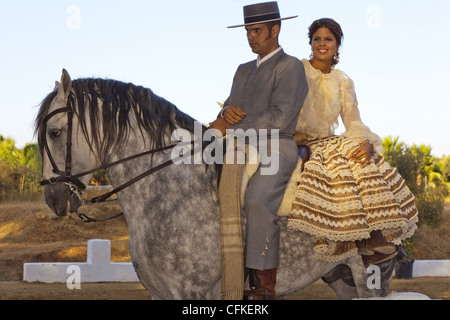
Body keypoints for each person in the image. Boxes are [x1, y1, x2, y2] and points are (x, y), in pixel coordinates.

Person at [288, 18, 418, 265]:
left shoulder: (344, 81)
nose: (322, 44)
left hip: (326, 138)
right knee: (339, 157)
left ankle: (370, 238)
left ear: (338, 45)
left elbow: (353, 120)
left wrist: (366, 142)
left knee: (360, 153)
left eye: (328, 39)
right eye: (317, 39)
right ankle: (359, 238)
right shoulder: (298, 69)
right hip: (297, 139)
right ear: (310, 42)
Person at [211, 2, 308, 299]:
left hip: (276, 145)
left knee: (256, 199)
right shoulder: (242, 70)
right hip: (238, 146)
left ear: (275, 30)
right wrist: (226, 113)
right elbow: (229, 107)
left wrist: (235, 127)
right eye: (248, 31)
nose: (251, 37)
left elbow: (281, 117)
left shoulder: (290, 66)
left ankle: (261, 285)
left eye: (257, 31)